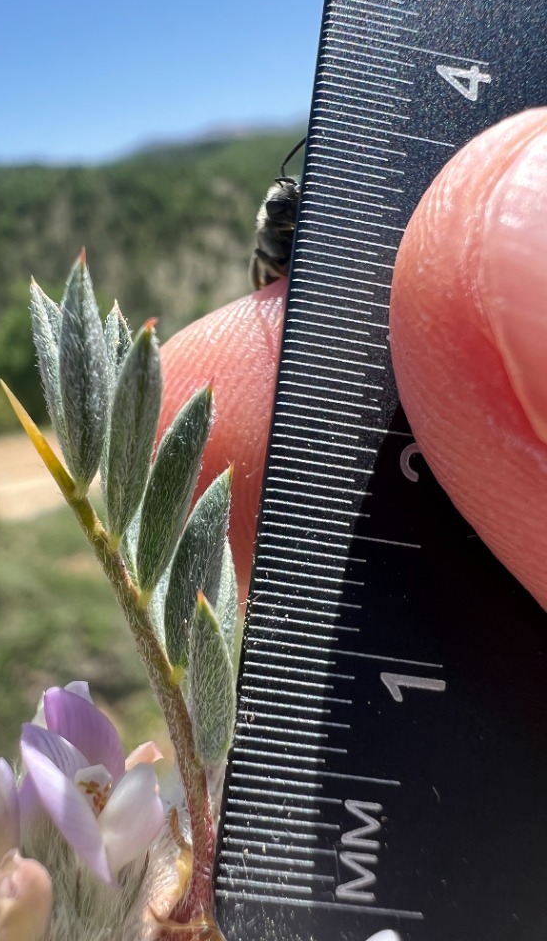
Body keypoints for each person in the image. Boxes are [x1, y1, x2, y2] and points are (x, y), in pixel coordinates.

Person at [158, 109, 547, 612]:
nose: (294, 201)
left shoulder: (288, 213)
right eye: (288, 204)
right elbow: (273, 253)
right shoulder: (280, 226)